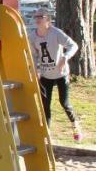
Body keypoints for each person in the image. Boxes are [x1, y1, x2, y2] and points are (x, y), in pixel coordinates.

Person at [28, 9, 84, 142]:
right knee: (45, 104)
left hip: (61, 74)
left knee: (64, 102)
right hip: (46, 75)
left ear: (48, 20)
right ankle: (46, 134)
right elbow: (34, 55)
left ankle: (75, 126)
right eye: (35, 16)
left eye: (41, 16)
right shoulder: (32, 36)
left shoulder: (56, 33)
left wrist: (65, 57)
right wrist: (36, 68)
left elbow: (73, 46)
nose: (37, 19)